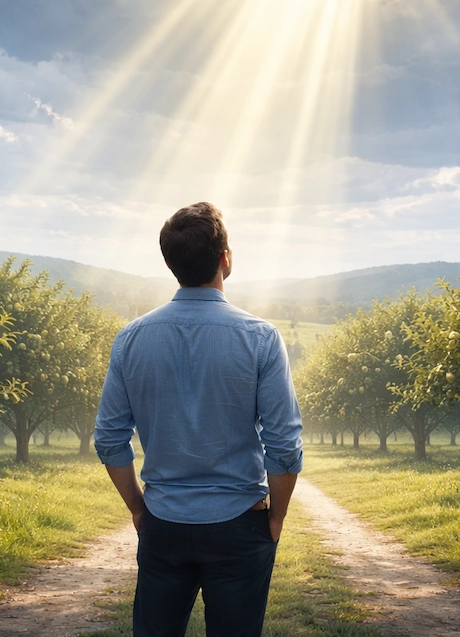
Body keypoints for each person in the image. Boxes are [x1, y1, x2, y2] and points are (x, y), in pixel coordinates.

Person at [94, 202, 303, 637]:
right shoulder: (261, 338)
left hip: (163, 522)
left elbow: (109, 439)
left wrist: (138, 508)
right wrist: (276, 516)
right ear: (226, 258)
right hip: (240, 523)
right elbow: (283, 445)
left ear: (170, 263)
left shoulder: (130, 338)